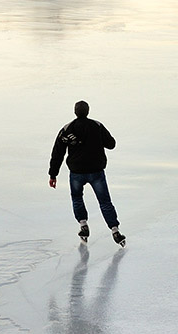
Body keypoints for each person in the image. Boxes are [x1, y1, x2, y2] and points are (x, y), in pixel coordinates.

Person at [48, 100, 125, 246]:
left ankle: (83, 225)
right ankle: (115, 231)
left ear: (75, 112)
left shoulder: (67, 129)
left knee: (77, 198)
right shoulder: (97, 126)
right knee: (105, 201)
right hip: (96, 171)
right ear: (88, 111)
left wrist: (53, 175)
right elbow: (111, 144)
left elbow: (57, 153)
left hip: (77, 172)